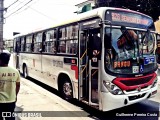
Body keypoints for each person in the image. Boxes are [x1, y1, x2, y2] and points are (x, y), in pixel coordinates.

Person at [0, 50, 21, 120]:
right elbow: (18, 85)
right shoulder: (15, 71)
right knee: (10, 117)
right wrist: (15, 95)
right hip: (11, 100)